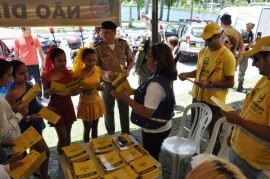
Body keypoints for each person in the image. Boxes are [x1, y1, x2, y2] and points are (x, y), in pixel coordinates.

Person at [111, 43, 177, 160]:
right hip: (160, 125)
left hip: (155, 128)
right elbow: (147, 94)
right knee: (152, 153)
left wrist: (126, 99)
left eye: (149, 56)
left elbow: (147, 112)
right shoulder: (159, 75)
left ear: (156, 61)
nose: (146, 58)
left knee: (151, 157)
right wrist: (130, 91)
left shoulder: (156, 85)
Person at [178, 22, 236, 155]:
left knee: (213, 134)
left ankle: (213, 161)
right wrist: (187, 74)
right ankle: (193, 155)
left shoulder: (227, 56)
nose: (207, 42)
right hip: (197, 97)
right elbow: (199, 70)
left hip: (215, 103)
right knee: (194, 130)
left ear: (219, 35)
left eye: (210, 39)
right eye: (205, 39)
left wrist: (209, 83)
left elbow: (231, 82)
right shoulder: (203, 51)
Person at [223, 36, 270, 179]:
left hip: (251, 158)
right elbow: (249, 111)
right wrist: (233, 131)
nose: (254, 64)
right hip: (239, 148)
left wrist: (239, 122)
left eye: (256, 58)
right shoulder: (265, 79)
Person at [5, 60, 50, 179]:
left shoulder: (29, 84)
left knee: (35, 152)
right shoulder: (10, 94)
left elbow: (36, 102)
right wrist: (29, 117)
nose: (26, 75)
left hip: (37, 122)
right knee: (45, 151)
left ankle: (38, 171)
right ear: (12, 76)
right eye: (21, 73)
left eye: (26, 71)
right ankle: (44, 176)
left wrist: (45, 109)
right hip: (25, 127)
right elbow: (11, 117)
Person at [95, 21, 134, 135]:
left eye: (106, 32)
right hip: (108, 84)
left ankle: (126, 133)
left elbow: (131, 60)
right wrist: (105, 72)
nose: (103, 35)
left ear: (114, 32)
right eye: (102, 32)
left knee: (124, 108)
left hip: (122, 82)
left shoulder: (123, 44)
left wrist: (128, 69)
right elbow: (95, 67)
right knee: (108, 110)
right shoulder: (98, 48)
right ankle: (111, 134)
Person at [41, 46, 76, 154]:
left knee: (68, 137)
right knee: (63, 138)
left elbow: (74, 92)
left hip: (68, 106)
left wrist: (77, 90)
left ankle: (68, 158)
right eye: (59, 60)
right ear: (52, 61)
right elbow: (45, 95)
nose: (63, 63)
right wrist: (47, 93)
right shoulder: (46, 76)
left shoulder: (69, 74)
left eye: (64, 60)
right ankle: (61, 159)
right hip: (55, 108)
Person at [73, 48, 105, 142]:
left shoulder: (98, 70)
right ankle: (87, 147)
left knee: (95, 128)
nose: (92, 63)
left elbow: (102, 83)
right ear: (83, 60)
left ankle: (95, 147)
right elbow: (73, 91)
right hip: (85, 104)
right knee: (87, 129)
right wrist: (83, 90)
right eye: (89, 60)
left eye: (94, 60)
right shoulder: (79, 73)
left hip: (96, 102)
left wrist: (102, 87)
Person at [0, 59, 29, 155]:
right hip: (10, 149)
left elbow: (3, 117)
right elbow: (3, 132)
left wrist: (12, 109)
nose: (11, 79)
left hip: (12, 145)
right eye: (9, 76)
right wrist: (20, 114)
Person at [14, 27, 45, 101]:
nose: (30, 31)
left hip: (34, 63)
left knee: (38, 79)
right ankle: (27, 95)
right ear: (23, 30)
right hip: (23, 65)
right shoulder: (17, 39)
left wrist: (43, 60)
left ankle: (39, 96)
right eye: (28, 29)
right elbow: (16, 52)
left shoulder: (35, 38)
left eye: (31, 29)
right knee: (24, 80)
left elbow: (40, 50)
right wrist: (15, 64)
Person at [237, 22, 255, 92]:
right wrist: (243, 45)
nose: (253, 26)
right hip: (238, 52)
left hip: (246, 53)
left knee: (243, 69)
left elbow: (251, 42)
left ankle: (240, 85)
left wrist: (252, 45)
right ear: (247, 24)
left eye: (253, 25)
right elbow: (236, 42)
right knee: (232, 67)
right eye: (251, 24)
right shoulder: (241, 32)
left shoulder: (251, 34)